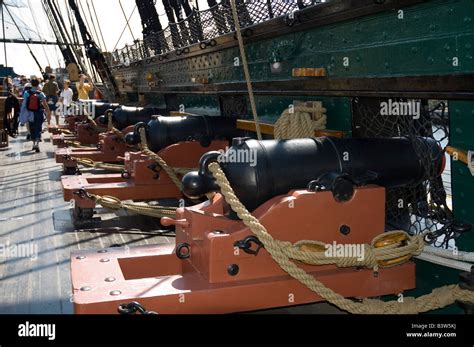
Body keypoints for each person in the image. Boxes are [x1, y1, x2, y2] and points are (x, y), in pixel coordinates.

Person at [23, 78, 51, 153]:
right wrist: (48, 112)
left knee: (32, 128)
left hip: (30, 113)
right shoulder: (41, 94)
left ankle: (34, 143)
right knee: (38, 128)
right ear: (38, 84)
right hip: (39, 113)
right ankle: (37, 144)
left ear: (31, 84)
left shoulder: (26, 93)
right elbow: (45, 105)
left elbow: (24, 104)